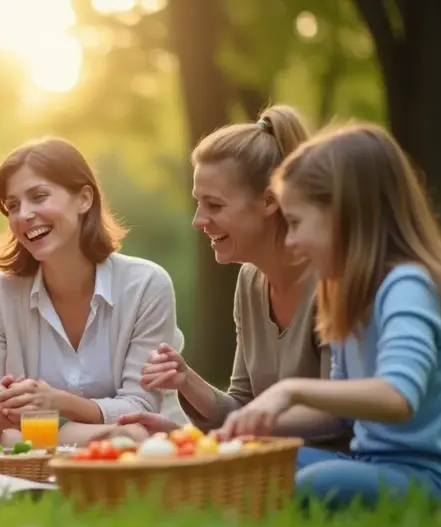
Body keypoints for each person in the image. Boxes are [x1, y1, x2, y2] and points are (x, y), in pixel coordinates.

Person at [218, 123, 441, 511]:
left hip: (426, 476)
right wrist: (244, 431)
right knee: (246, 466)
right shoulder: (344, 292)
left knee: (316, 484)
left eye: (295, 223)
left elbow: (397, 396)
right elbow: (339, 412)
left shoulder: (406, 285)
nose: (289, 240)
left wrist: (290, 391)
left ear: (343, 215)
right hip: (366, 463)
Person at [119, 105, 350, 449]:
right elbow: (243, 404)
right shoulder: (250, 281)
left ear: (270, 201)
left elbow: (336, 416)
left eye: (214, 205)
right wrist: (186, 382)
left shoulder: (334, 279)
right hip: (269, 457)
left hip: (333, 464)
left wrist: (226, 437)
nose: (198, 220)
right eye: (199, 203)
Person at [0, 136, 186, 448]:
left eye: (39, 196)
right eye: (13, 205)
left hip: (142, 450)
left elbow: (140, 409)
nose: (23, 215)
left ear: (84, 199)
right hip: (68, 442)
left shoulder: (146, 285)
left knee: (133, 437)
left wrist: (55, 403)